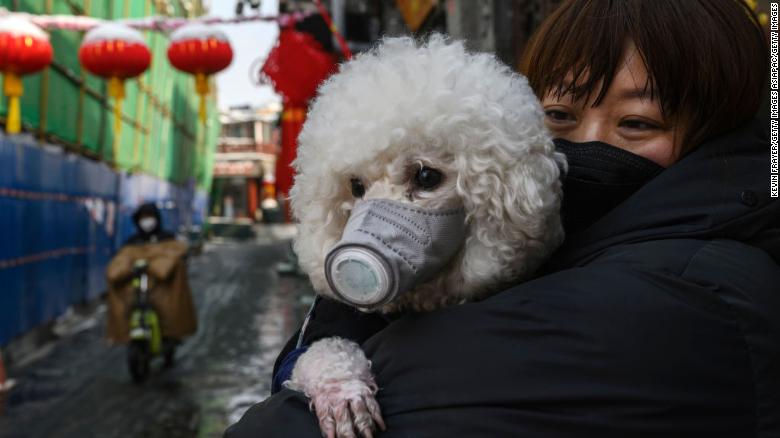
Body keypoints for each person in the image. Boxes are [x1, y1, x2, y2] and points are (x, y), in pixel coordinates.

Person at [225, 1, 779, 436]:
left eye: (636, 124)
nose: (588, 145)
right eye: (559, 115)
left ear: (720, 128)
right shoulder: (576, 245)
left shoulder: (684, 292)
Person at [105, 202, 197, 351]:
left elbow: (174, 256)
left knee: (169, 308)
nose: (147, 221)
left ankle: (170, 337)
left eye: (150, 217)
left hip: (161, 286)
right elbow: (119, 265)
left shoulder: (167, 239)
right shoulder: (132, 242)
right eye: (143, 217)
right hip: (138, 286)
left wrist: (158, 267)